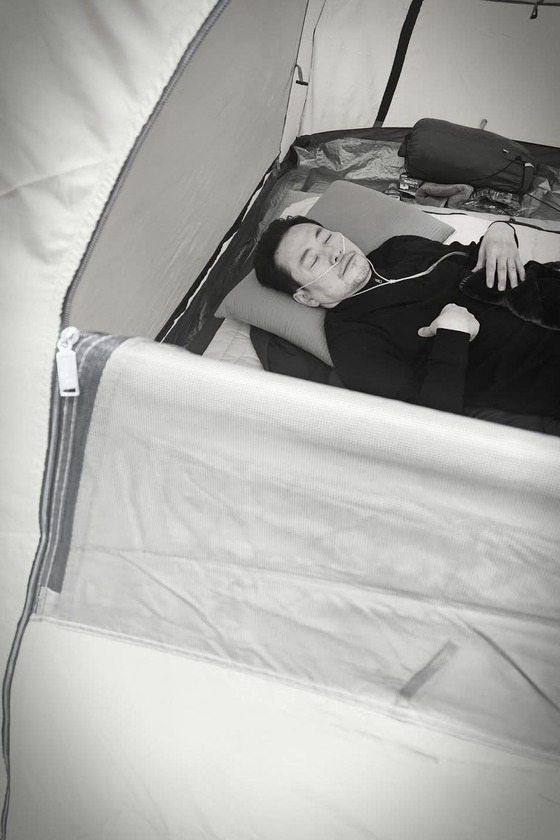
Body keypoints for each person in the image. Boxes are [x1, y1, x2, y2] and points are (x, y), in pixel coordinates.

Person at [253, 216, 560, 425]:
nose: (334, 253)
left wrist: (500, 231)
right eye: (313, 260)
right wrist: (452, 336)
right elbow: (428, 424)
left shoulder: (398, 248)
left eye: (326, 238)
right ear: (307, 298)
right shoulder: (354, 339)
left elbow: (477, 257)